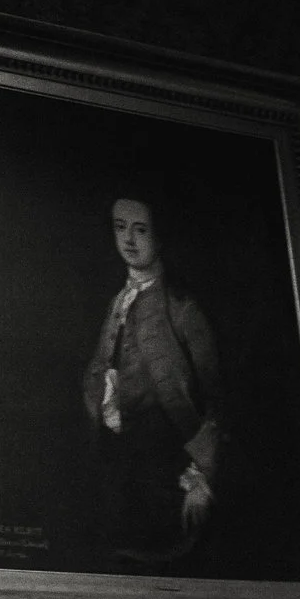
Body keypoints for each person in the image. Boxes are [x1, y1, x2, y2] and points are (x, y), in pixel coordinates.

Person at [80, 193, 220, 572]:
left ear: (160, 236)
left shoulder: (182, 307)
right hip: (119, 465)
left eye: (140, 230)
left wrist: (202, 475)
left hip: (170, 467)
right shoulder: (116, 303)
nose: (128, 240)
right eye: (120, 228)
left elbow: (215, 397)